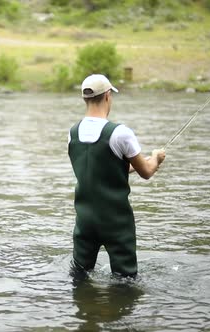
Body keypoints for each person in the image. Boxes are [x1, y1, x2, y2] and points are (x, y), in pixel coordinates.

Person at [68, 74, 166, 278]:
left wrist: (127, 165)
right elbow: (146, 172)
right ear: (107, 96)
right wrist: (156, 158)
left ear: (85, 98)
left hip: (84, 220)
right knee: (125, 281)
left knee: (80, 276)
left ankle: (83, 307)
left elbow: (97, 170)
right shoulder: (120, 133)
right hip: (116, 221)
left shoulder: (73, 132)